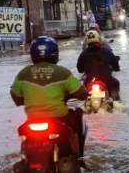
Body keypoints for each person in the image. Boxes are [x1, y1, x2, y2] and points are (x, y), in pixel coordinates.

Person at [10, 36, 88, 165]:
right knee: (78, 113)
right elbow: (81, 92)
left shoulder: (23, 73)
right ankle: (78, 158)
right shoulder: (62, 72)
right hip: (59, 117)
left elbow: (15, 95)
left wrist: (27, 100)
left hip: (32, 120)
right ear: (55, 53)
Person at [76, 30, 121, 101]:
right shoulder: (106, 50)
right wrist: (116, 68)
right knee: (116, 83)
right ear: (98, 38)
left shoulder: (84, 53)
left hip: (89, 81)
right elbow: (115, 63)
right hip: (107, 80)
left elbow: (80, 69)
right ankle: (116, 100)